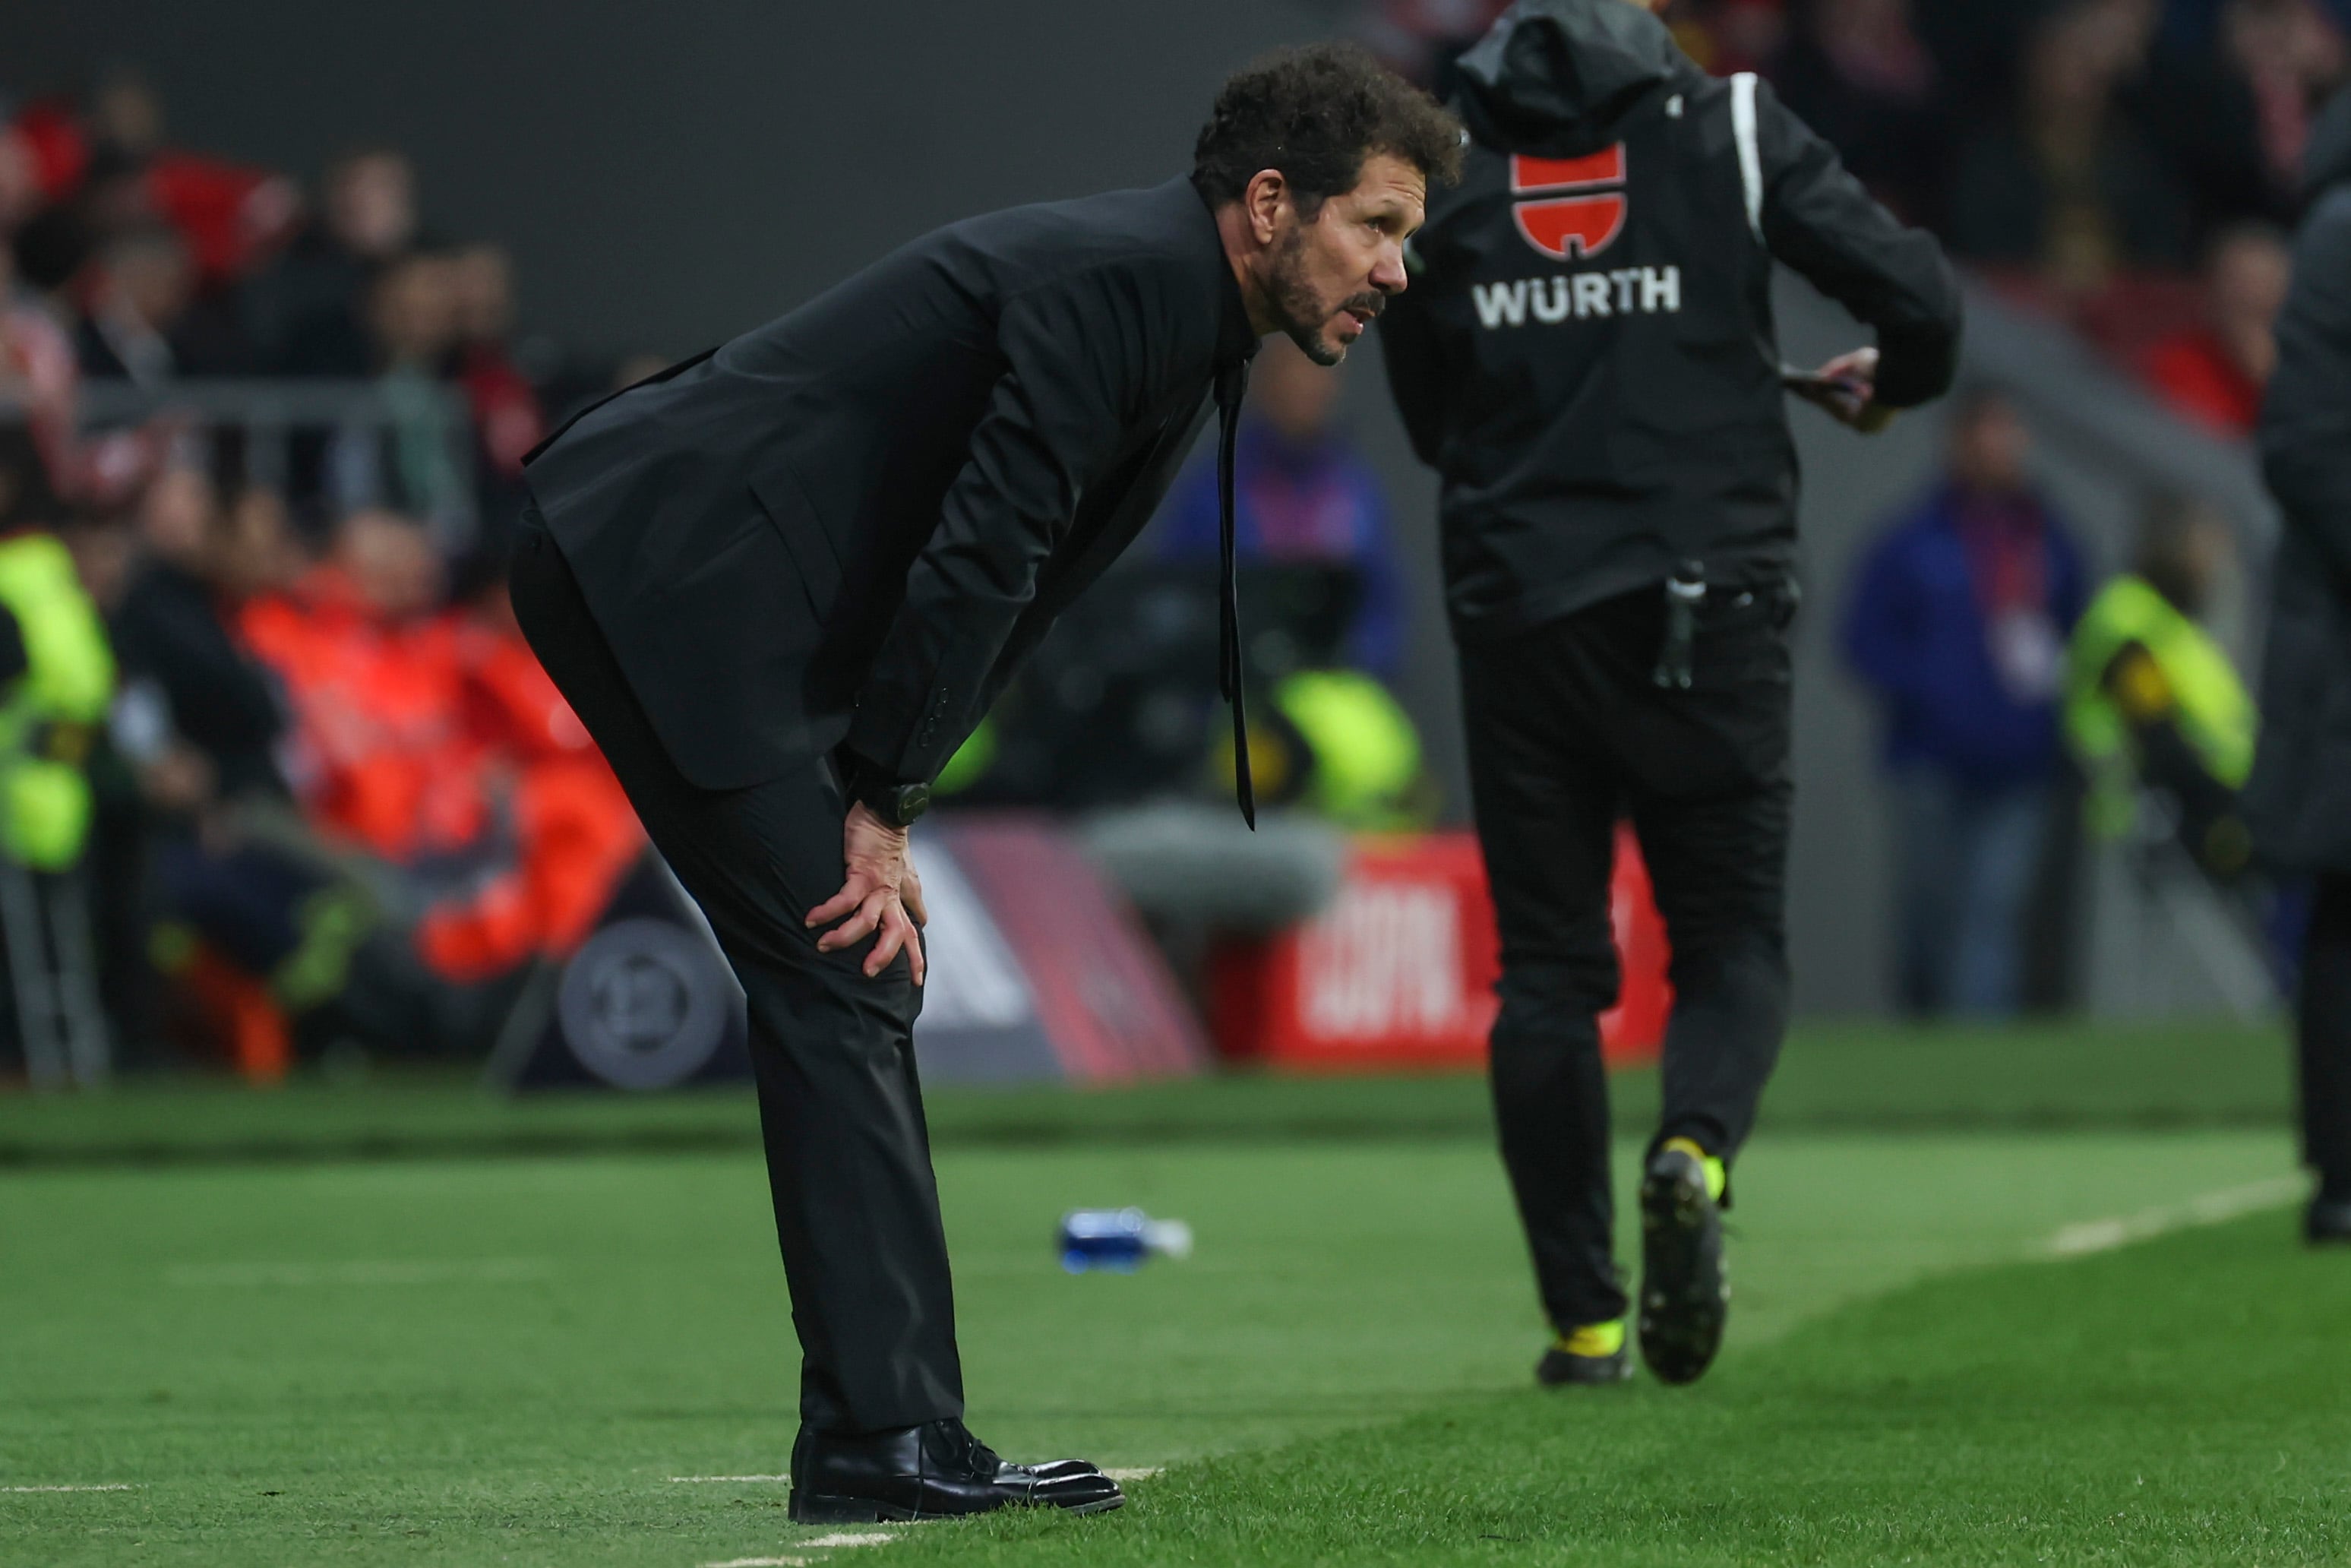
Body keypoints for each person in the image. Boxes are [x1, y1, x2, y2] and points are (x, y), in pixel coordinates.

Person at [508, 43, 1461, 1521]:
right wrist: (879, 797)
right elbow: (986, 550)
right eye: (1379, 226)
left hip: (716, 583)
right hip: (667, 572)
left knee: (847, 979)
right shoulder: (1134, 285)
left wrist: (882, 778)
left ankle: (899, 1435)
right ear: (1269, 205)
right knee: (844, 967)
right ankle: (878, 1444)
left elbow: (1004, 573)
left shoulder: (1175, 299)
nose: (1399, 269)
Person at [1376, 0, 1961, 1389]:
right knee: (1732, 943)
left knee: (1550, 975)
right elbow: (1923, 301)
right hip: (1712, 604)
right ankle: (1692, 1150)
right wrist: (1897, 386)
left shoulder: (1444, 161)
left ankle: (1584, 1322)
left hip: (1523, 615)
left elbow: (1427, 421)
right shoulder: (1734, 126)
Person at [1842, 390, 2087, 1019]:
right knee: (1929, 913)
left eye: (2009, 437)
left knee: (1993, 912)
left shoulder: (2048, 540)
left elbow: (2079, 631)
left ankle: (1979, 1052)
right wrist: (1929, 689)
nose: (2000, 452)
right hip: (1930, 757)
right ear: (1958, 445)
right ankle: (1923, 1034)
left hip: (2023, 760)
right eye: (1986, 438)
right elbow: (1862, 640)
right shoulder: (1910, 542)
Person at [2243, 84, 2351, 1246]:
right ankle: (2340, 1174)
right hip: (2340, 639)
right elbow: (2304, 442)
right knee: (2343, 895)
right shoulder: (2336, 233)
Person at [2137, 224, 2293, 440]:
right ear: (2210, 292)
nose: (2254, 295)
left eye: (2267, 283)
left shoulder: (2298, 385)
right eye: (2241, 283)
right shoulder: (2177, 366)